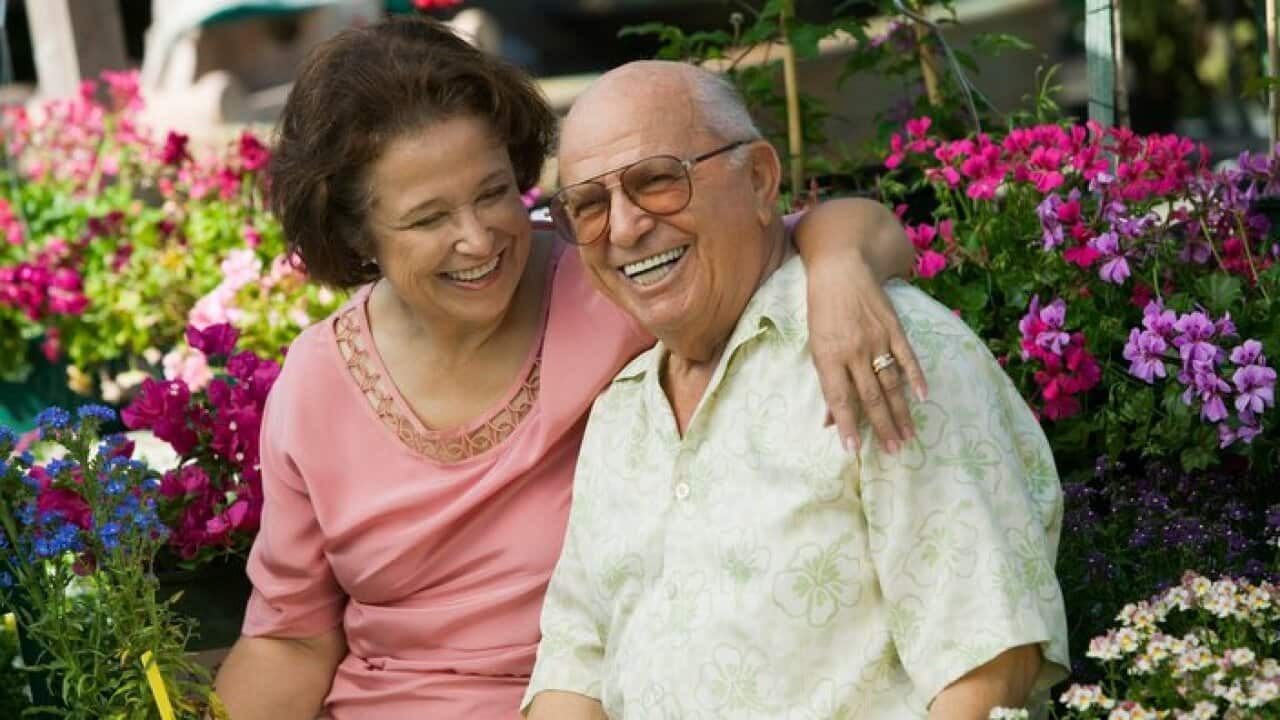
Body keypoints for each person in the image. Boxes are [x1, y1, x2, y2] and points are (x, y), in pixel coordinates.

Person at [213, 17, 926, 720]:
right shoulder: (317, 381)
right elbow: (291, 642)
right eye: (429, 219)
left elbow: (814, 231)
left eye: (494, 193)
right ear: (355, 234)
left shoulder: (614, 281)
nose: (477, 238)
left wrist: (837, 269)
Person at [522, 61, 1071, 720]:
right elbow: (574, 665)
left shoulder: (878, 346)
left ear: (758, 179)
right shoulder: (622, 414)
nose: (622, 228)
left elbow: (986, 659)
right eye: (588, 204)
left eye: (658, 181)